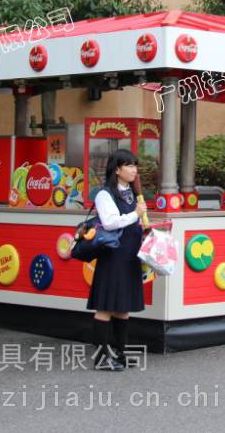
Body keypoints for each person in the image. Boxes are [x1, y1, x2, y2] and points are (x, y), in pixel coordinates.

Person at [87, 149, 149, 371]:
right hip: (113, 256)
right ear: (117, 169)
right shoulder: (105, 194)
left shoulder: (131, 193)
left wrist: (144, 228)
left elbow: (132, 222)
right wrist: (136, 213)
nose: (134, 170)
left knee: (123, 307)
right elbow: (111, 222)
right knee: (106, 306)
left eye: (135, 165)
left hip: (130, 255)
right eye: (129, 165)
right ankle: (101, 357)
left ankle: (120, 353)